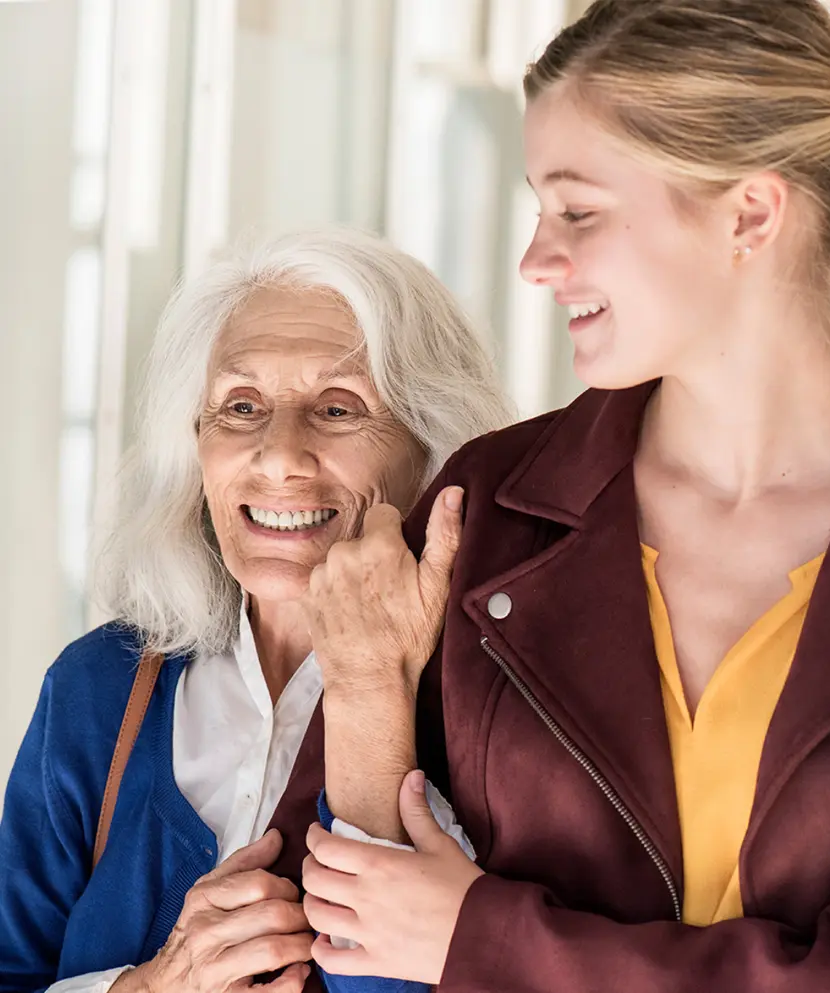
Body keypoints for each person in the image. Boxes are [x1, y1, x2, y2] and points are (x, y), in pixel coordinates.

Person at [288, 1, 830, 990]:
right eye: (538, 210)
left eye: (578, 211)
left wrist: (491, 943)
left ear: (752, 215)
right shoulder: (487, 510)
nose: (536, 261)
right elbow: (324, 909)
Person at [0, 228, 513, 993]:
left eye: (337, 409)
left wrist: (372, 689)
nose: (278, 456)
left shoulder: (510, 709)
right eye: (240, 406)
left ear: (433, 449)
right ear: (196, 444)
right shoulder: (100, 686)